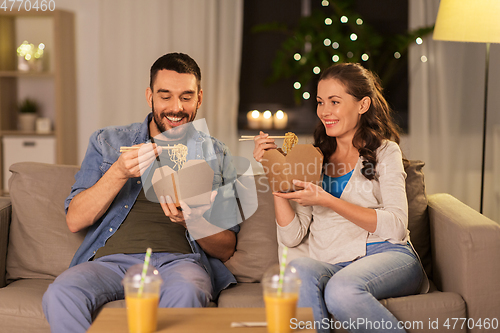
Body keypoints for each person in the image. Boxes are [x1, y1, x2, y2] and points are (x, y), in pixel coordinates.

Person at [42, 53, 239, 333]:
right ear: (150, 97)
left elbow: (226, 246)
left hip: (180, 263)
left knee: (189, 291)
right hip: (110, 263)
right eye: (165, 96)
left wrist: (192, 220)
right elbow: (75, 220)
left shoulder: (216, 154)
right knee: (60, 293)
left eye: (186, 96)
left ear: (199, 98)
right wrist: (118, 172)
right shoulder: (108, 142)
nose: (176, 107)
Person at [253, 63, 428, 333]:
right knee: (296, 271)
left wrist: (327, 200)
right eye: (321, 102)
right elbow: (292, 236)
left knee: (341, 290)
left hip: (388, 254)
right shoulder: (314, 158)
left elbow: (395, 226)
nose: (324, 111)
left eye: (335, 101)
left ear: (362, 105)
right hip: (334, 261)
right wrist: (273, 167)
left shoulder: (384, 152)